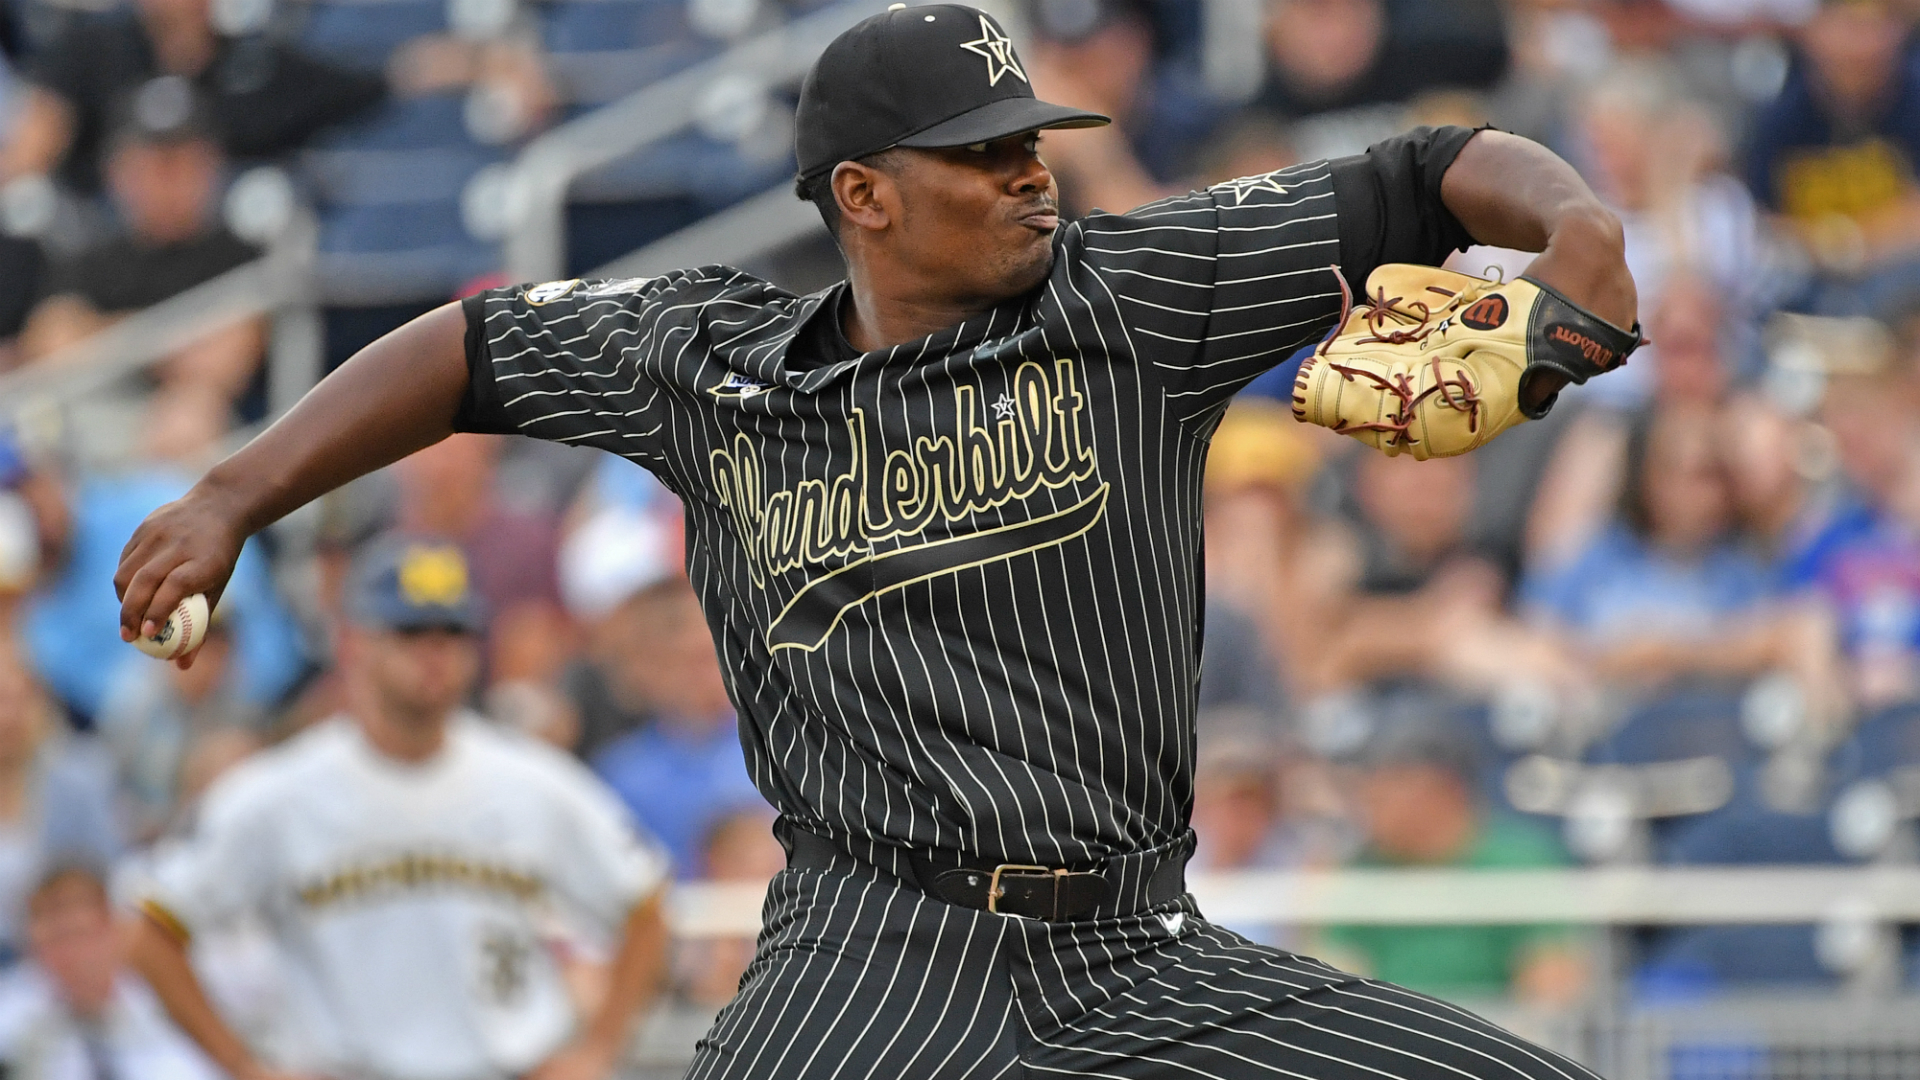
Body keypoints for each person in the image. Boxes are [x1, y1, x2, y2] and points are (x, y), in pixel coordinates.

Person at [115, 5, 1637, 1076]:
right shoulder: (707, 362)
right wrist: (233, 494)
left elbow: (1432, 164)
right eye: (984, 155)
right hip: (871, 950)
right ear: (864, 197)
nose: (1032, 172)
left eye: (1032, 140)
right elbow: (465, 348)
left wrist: (1581, 242)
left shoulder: (1136, 298)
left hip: (1137, 945)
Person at [126, 539, 670, 1080]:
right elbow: (153, 925)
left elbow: (646, 902)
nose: (435, 654)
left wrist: (597, 1051)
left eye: (453, 633)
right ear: (352, 644)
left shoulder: (533, 782)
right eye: (410, 633)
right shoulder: (280, 794)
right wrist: (245, 1065)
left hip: (504, 1063)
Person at [0, 863, 222, 1080]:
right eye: (55, 940)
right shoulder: (14, 1019)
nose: (70, 954)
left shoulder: (161, 1000)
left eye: (80, 934)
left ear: (113, 932)